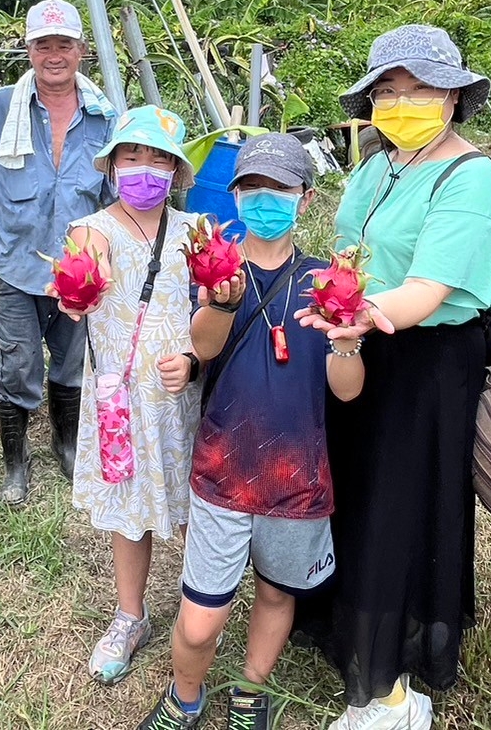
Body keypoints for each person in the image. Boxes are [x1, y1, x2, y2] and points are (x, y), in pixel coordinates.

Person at [295, 24, 491, 730]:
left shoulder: (468, 176)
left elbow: (423, 291)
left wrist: (350, 313)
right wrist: (338, 306)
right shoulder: (376, 163)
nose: (401, 101)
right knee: (351, 488)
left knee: (397, 503)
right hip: (359, 341)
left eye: (416, 88)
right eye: (387, 90)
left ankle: (388, 677)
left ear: (452, 95)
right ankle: (347, 614)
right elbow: (347, 248)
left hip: (423, 359)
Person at [135, 134, 362, 730]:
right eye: (252, 189)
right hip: (222, 472)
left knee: (276, 593)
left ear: (304, 199)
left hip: (298, 478)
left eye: (279, 190)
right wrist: (222, 304)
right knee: (200, 617)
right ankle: (185, 695)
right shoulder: (215, 267)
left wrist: (346, 341)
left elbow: (348, 390)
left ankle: (249, 688)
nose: (265, 201)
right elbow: (202, 348)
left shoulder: (327, 281)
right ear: (235, 197)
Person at [0, 0, 118, 504]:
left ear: (81, 51)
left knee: (72, 365)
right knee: (16, 366)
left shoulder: (103, 118)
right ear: (28, 50)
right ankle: (16, 462)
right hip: (17, 267)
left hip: (78, 271)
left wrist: (105, 261)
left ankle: (66, 443)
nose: (54, 55)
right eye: (43, 44)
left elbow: (112, 196)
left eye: (64, 44)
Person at [56, 106, 200, 687]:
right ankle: (129, 614)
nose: (145, 168)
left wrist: (192, 362)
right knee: (128, 511)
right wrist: (77, 288)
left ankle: (202, 607)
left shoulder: (195, 231)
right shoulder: (91, 229)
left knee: (196, 504)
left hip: (181, 393)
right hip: (120, 399)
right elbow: (84, 274)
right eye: (132, 156)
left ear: (176, 171)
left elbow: (213, 309)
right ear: (112, 164)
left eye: (159, 159)